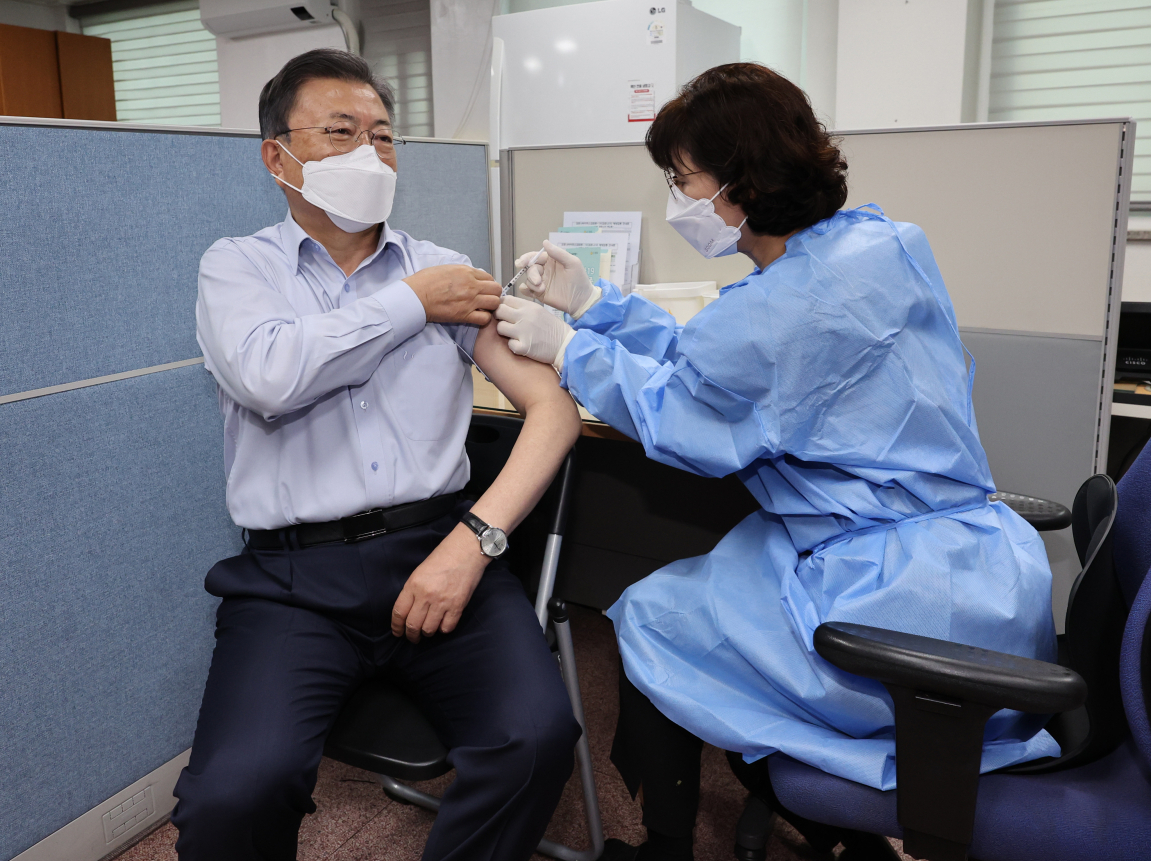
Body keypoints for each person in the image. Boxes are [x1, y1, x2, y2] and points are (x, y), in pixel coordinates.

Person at [495, 63, 1058, 861]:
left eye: (685, 181)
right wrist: (597, 307)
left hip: (901, 600)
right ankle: (808, 814)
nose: (679, 201)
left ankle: (677, 845)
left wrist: (570, 350)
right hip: (981, 570)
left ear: (741, 185)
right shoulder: (882, 245)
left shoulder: (781, 306)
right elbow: (721, 360)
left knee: (652, 618)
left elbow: (680, 415)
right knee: (702, 583)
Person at [173, 49, 583, 861]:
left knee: (537, 737)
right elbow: (270, 375)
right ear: (276, 156)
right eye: (340, 131)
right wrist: (409, 305)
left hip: (440, 551)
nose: (370, 151)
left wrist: (475, 542)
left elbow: (553, 411)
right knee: (235, 791)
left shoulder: (444, 270)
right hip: (294, 581)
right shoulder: (237, 267)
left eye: (384, 135)